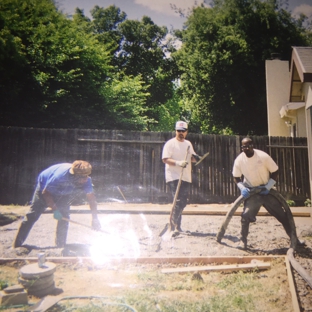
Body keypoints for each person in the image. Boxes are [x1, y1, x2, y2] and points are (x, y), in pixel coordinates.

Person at [13, 160, 101, 248]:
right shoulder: (59, 177)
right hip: (44, 189)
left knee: (64, 217)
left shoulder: (86, 180)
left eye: (87, 176)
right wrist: (55, 210)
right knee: (32, 215)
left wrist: (95, 218)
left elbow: (92, 199)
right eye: (83, 177)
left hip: (63, 192)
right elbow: (46, 193)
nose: (86, 179)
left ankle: (60, 246)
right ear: (75, 176)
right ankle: (16, 245)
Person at [232, 137, 298, 249]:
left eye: (248, 146)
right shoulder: (239, 160)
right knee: (246, 215)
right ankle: (242, 241)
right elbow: (236, 176)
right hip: (252, 192)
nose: (246, 149)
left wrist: (268, 186)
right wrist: (241, 187)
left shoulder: (263, 156)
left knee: (282, 215)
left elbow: (275, 171)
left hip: (267, 192)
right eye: (244, 147)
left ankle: (294, 239)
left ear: (253, 146)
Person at [162, 121, 200, 233]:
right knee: (177, 200)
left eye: (183, 131)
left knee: (183, 201)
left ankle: (177, 226)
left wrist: (197, 158)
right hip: (173, 176)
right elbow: (165, 159)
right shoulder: (170, 143)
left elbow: (191, 158)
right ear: (175, 131)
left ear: (187, 132)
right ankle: (172, 225)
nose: (181, 133)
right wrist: (178, 163)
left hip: (186, 176)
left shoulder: (188, 144)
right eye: (179, 131)